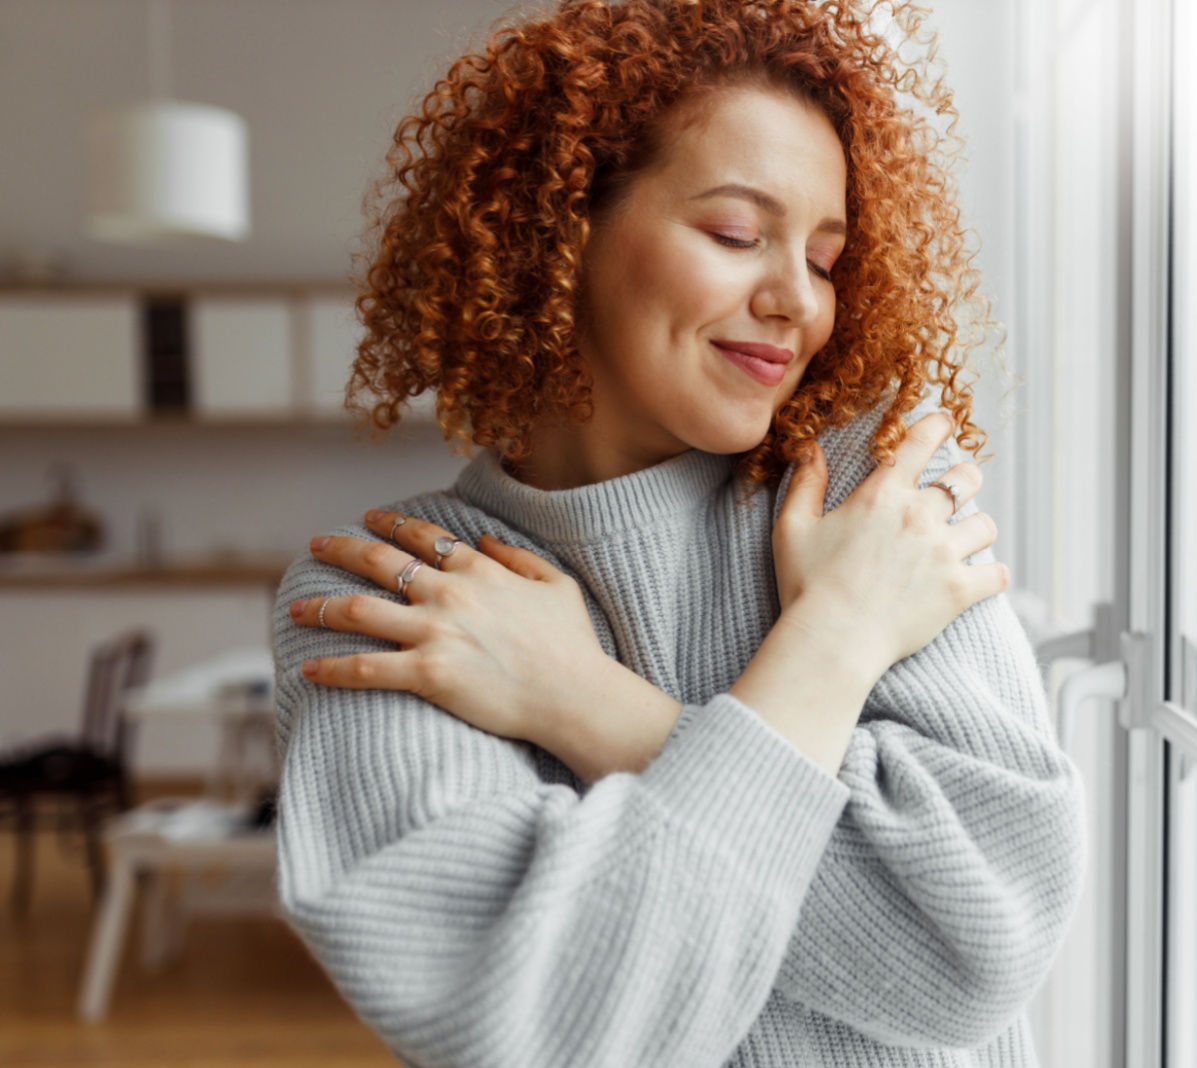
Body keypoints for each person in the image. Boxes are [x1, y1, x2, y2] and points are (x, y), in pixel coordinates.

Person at [272, 1, 1084, 1065]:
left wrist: (590, 705)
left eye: (828, 259)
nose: (797, 300)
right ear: (558, 233)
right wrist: (839, 640)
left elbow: (971, 954)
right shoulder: (396, 594)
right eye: (737, 234)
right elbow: (545, 1029)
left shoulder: (867, 500)